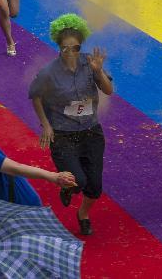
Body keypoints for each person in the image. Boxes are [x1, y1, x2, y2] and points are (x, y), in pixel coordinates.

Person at [29, 14, 114, 235]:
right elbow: (35, 96)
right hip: (63, 135)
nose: (70, 53)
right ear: (59, 48)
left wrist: (98, 72)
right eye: (65, 48)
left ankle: (83, 214)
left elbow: (108, 90)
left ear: (80, 46)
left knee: (94, 187)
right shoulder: (48, 72)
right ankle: (69, 187)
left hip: (91, 132)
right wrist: (46, 125)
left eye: (75, 48)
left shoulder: (90, 63)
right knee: (78, 180)